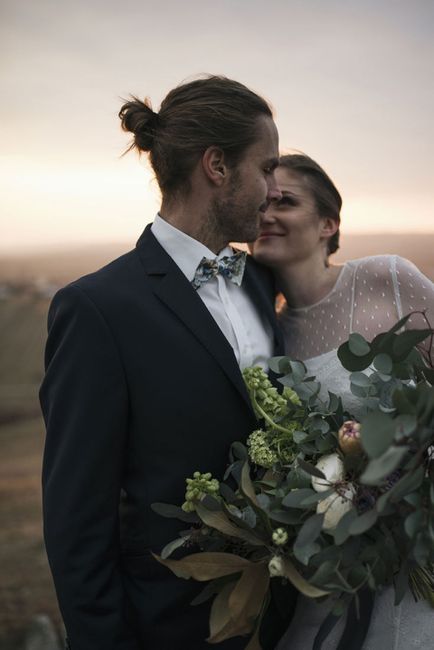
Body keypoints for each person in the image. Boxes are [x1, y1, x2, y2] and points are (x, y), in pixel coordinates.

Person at [39, 76, 296, 650]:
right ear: (217, 166)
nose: (275, 189)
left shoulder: (258, 283)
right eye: (268, 167)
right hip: (168, 627)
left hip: (287, 623)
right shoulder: (98, 309)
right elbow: (77, 519)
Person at [250, 153, 434, 649]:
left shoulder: (386, 279)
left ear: (329, 223)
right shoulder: (263, 336)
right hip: (336, 571)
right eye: (261, 203)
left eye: (284, 202)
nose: (266, 214)